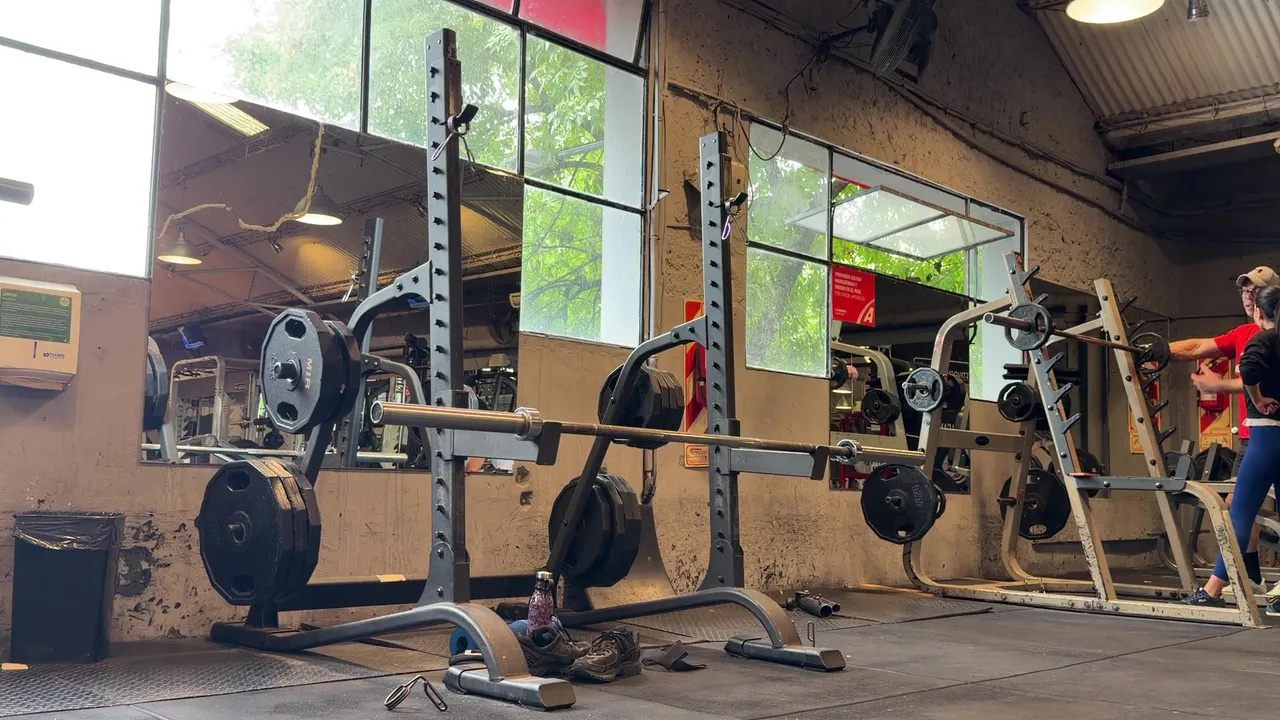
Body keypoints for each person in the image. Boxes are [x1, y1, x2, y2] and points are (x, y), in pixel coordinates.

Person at [1168, 266, 1280, 589]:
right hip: (1252, 437)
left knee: (1240, 507)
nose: (1248, 297)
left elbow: (1251, 374)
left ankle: (1217, 586)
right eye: (1244, 290)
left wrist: (1220, 386)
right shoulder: (1242, 333)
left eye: (1255, 291)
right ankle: (1249, 575)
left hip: (1266, 434)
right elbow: (1196, 347)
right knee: (1239, 505)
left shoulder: (1265, 338)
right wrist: (1158, 351)